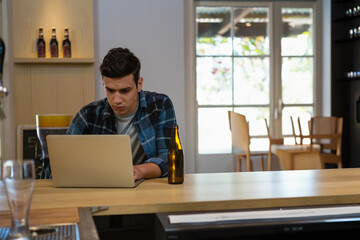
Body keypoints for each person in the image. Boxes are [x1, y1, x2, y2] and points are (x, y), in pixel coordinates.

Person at [67, 47, 177, 181]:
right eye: (110, 90)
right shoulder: (88, 115)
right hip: (100, 188)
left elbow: (169, 158)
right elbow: (65, 161)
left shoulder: (160, 105)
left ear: (139, 84)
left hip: (145, 188)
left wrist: (139, 171)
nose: (116, 100)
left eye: (125, 91)